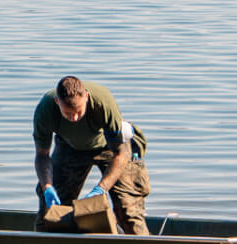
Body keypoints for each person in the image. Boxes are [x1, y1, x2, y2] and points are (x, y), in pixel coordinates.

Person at [32, 77, 151, 235]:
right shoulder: (45, 110)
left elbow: (121, 154)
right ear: (57, 102)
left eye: (79, 111)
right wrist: (47, 186)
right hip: (70, 146)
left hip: (110, 146)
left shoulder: (103, 103)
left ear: (86, 97)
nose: (74, 118)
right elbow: (42, 156)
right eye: (68, 113)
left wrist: (101, 188)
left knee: (128, 211)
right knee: (50, 213)